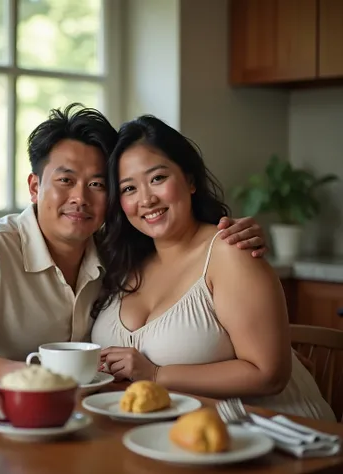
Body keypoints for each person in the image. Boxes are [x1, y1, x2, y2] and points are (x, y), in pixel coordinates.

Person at [0, 104, 267, 385]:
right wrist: (16, 373)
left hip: (95, 419)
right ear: (35, 187)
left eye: (97, 184)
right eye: (65, 180)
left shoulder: (119, 254)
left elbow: (193, 265)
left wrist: (234, 238)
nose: (80, 198)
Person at [91, 115, 335, 421]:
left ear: (190, 181)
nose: (146, 199)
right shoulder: (123, 262)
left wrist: (155, 373)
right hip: (180, 433)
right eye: (128, 189)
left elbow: (269, 374)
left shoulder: (232, 252)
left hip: (277, 435)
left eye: (157, 178)